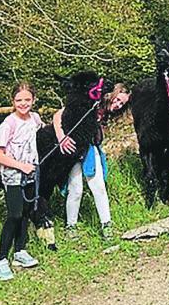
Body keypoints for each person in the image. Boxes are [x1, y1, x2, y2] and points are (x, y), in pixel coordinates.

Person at [54, 83, 131, 239]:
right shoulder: (90, 102)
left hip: (90, 148)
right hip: (73, 148)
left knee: (99, 186)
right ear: (112, 95)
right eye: (117, 100)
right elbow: (57, 116)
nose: (117, 105)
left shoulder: (106, 113)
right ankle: (71, 226)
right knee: (75, 189)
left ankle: (106, 224)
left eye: (121, 104)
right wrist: (62, 138)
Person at [0, 82, 43, 281]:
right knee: (15, 215)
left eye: (27, 99)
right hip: (13, 176)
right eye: (19, 100)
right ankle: (0, 260)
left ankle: (20, 251)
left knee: (26, 213)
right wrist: (20, 166)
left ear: (33, 100)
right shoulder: (8, 124)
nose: (23, 104)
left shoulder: (35, 119)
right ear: (13, 102)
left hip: (31, 174)